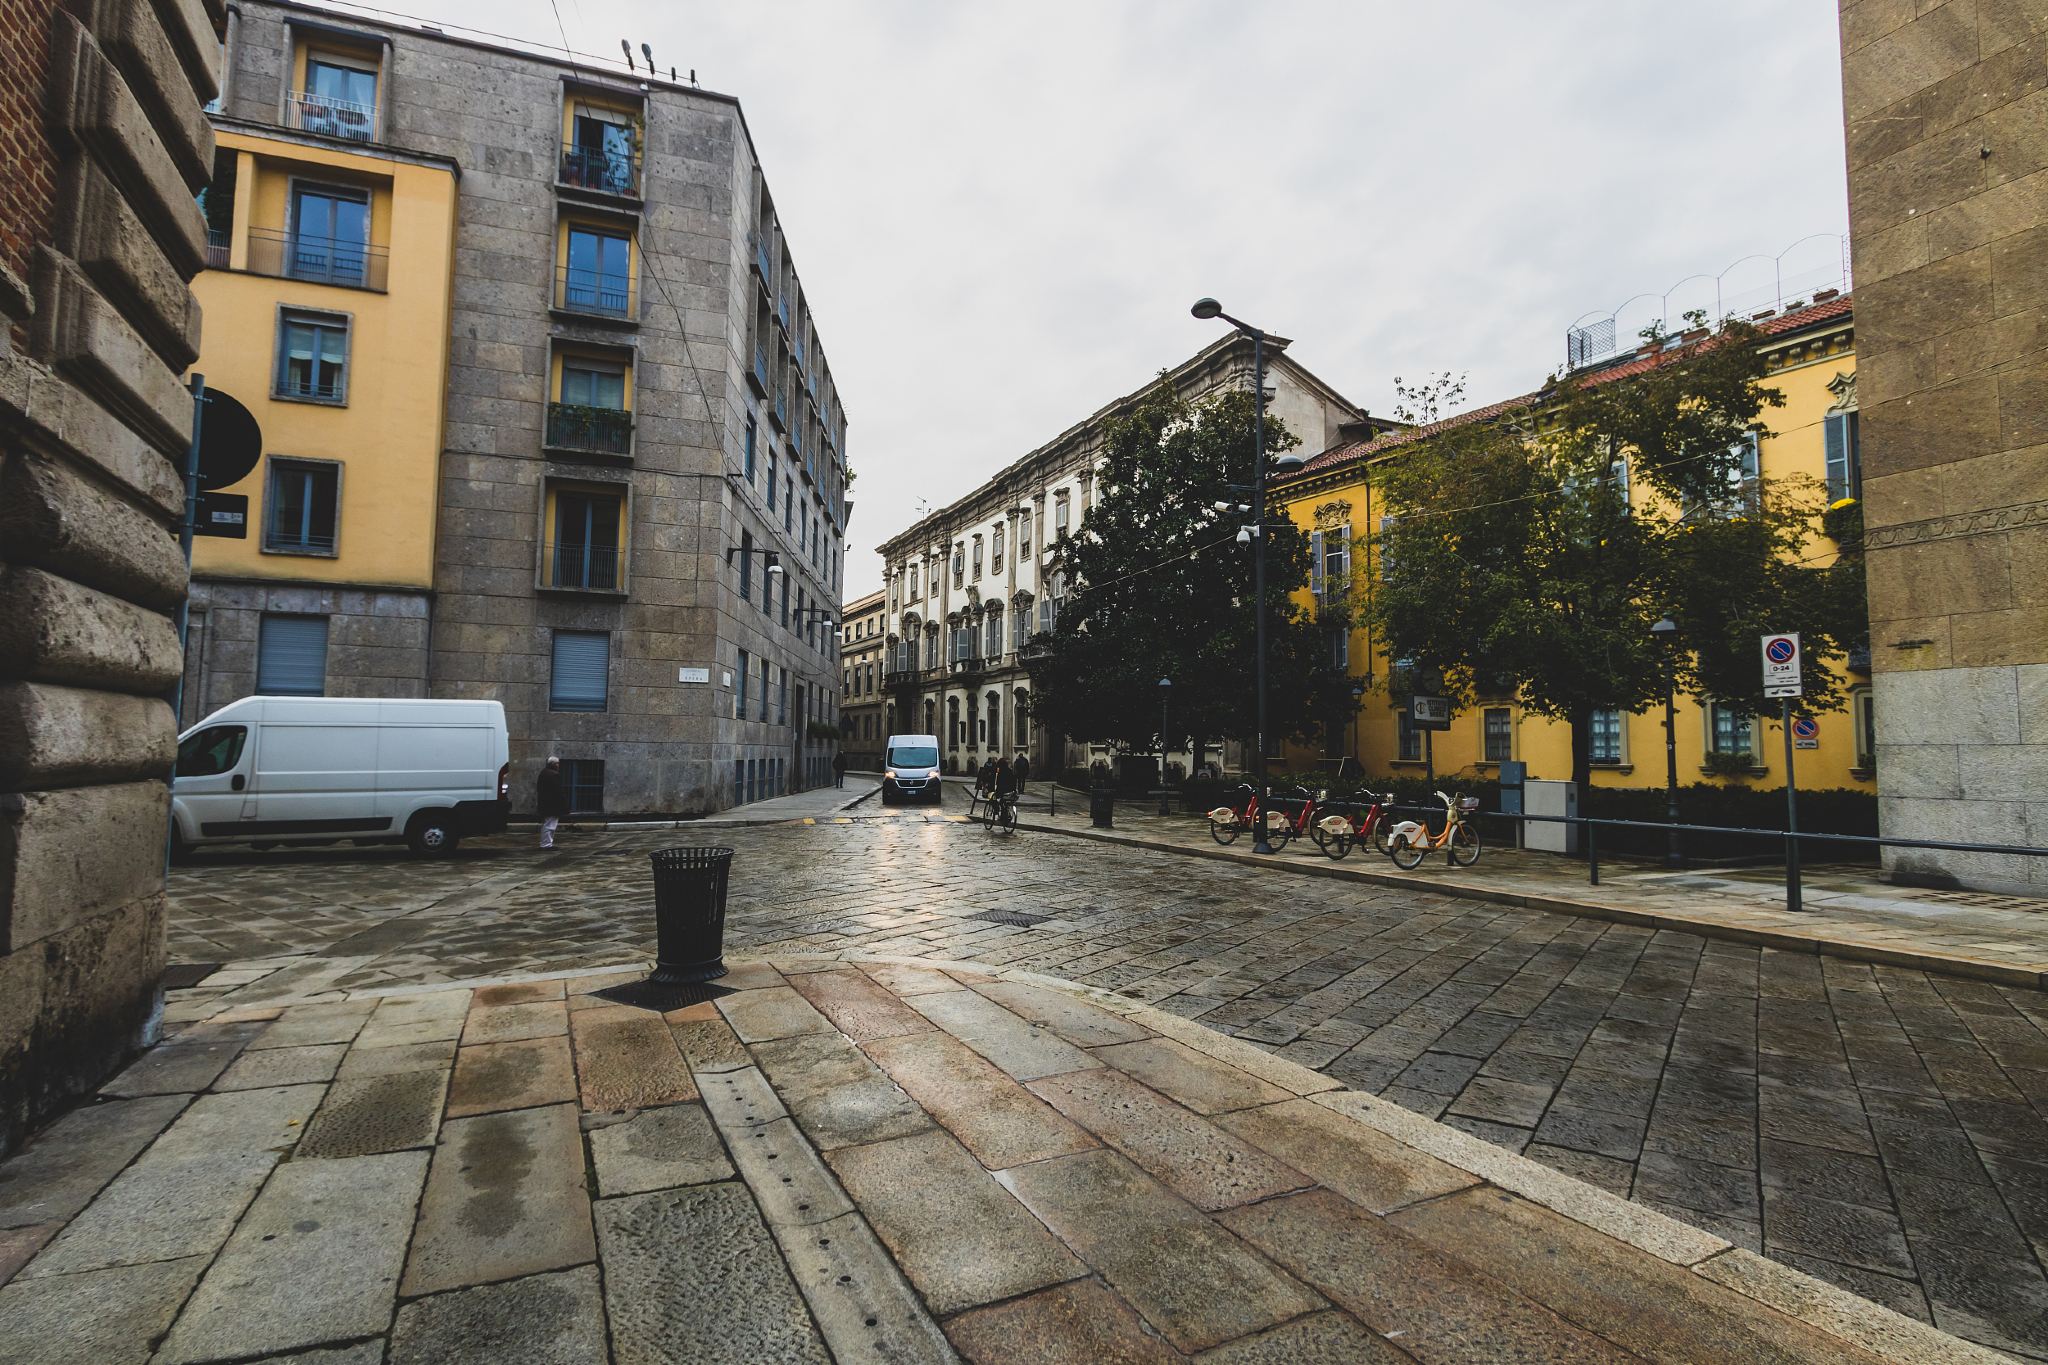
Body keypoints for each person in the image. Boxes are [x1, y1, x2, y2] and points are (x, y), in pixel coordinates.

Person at [536, 756, 567, 850]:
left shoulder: (544, 773)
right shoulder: (553, 775)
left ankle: (546, 843)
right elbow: (558, 791)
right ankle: (546, 844)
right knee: (550, 825)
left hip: (545, 803)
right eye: (557, 764)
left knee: (548, 824)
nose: (558, 766)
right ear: (554, 764)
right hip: (552, 805)